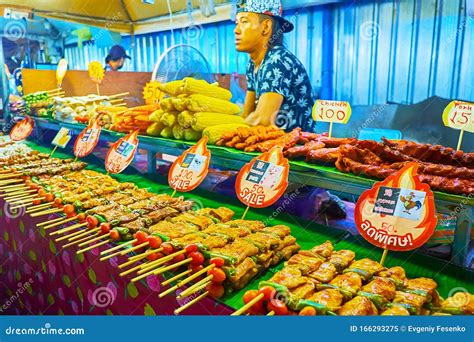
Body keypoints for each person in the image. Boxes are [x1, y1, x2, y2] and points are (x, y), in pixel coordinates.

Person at [234, 0, 315, 132]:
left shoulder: (278, 60)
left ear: (265, 27)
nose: (236, 30)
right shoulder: (252, 64)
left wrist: (225, 128)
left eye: (244, 22)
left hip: (294, 147)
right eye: (236, 23)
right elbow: (247, 114)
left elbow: (262, 120)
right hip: (269, 144)